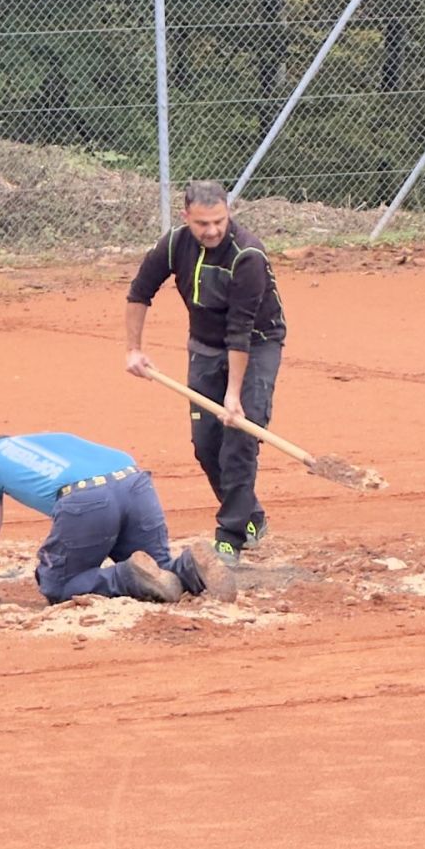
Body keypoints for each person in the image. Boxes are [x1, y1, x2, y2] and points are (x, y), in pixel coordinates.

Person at [125, 179, 286, 565]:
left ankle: (230, 537)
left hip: (256, 345)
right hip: (204, 345)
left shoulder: (248, 255)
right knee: (206, 443)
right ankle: (251, 515)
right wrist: (134, 349)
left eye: (219, 221)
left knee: (240, 439)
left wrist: (233, 395)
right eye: (202, 224)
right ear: (186, 217)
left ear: (229, 213)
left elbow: (240, 330)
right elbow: (139, 292)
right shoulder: (174, 244)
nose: (212, 231)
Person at [0, 430, 230, 608]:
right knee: (158, 568)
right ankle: (189, 567)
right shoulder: (48, 439)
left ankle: (126, 576)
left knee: (59, 585)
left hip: (87, 497)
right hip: (134, 482)